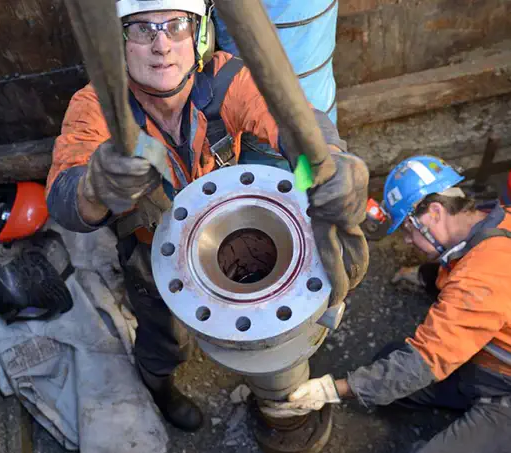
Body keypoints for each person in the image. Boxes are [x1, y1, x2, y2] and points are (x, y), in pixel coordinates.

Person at [45, 0, 369, 432]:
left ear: (201, 35)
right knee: (166, 341)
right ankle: (160, 387)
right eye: (142, 29)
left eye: (177, 25)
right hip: (154, 259)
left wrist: (327, 165)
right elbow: (64, 200)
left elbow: (291, 126)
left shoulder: (225, 80)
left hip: (222, 232)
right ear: (118, 44)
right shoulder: (96, 108)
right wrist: (95, 187)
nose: (162, 45)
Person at [262, 156, 511, 453]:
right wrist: (422, 276)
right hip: (503, 354)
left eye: (408, 229)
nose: (406, 240)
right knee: (387, 366)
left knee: (401, 377)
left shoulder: (478, 281)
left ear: (435, 213)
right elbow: (461, 265)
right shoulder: (503, 219)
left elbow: (421, 363)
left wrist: (333, 390)